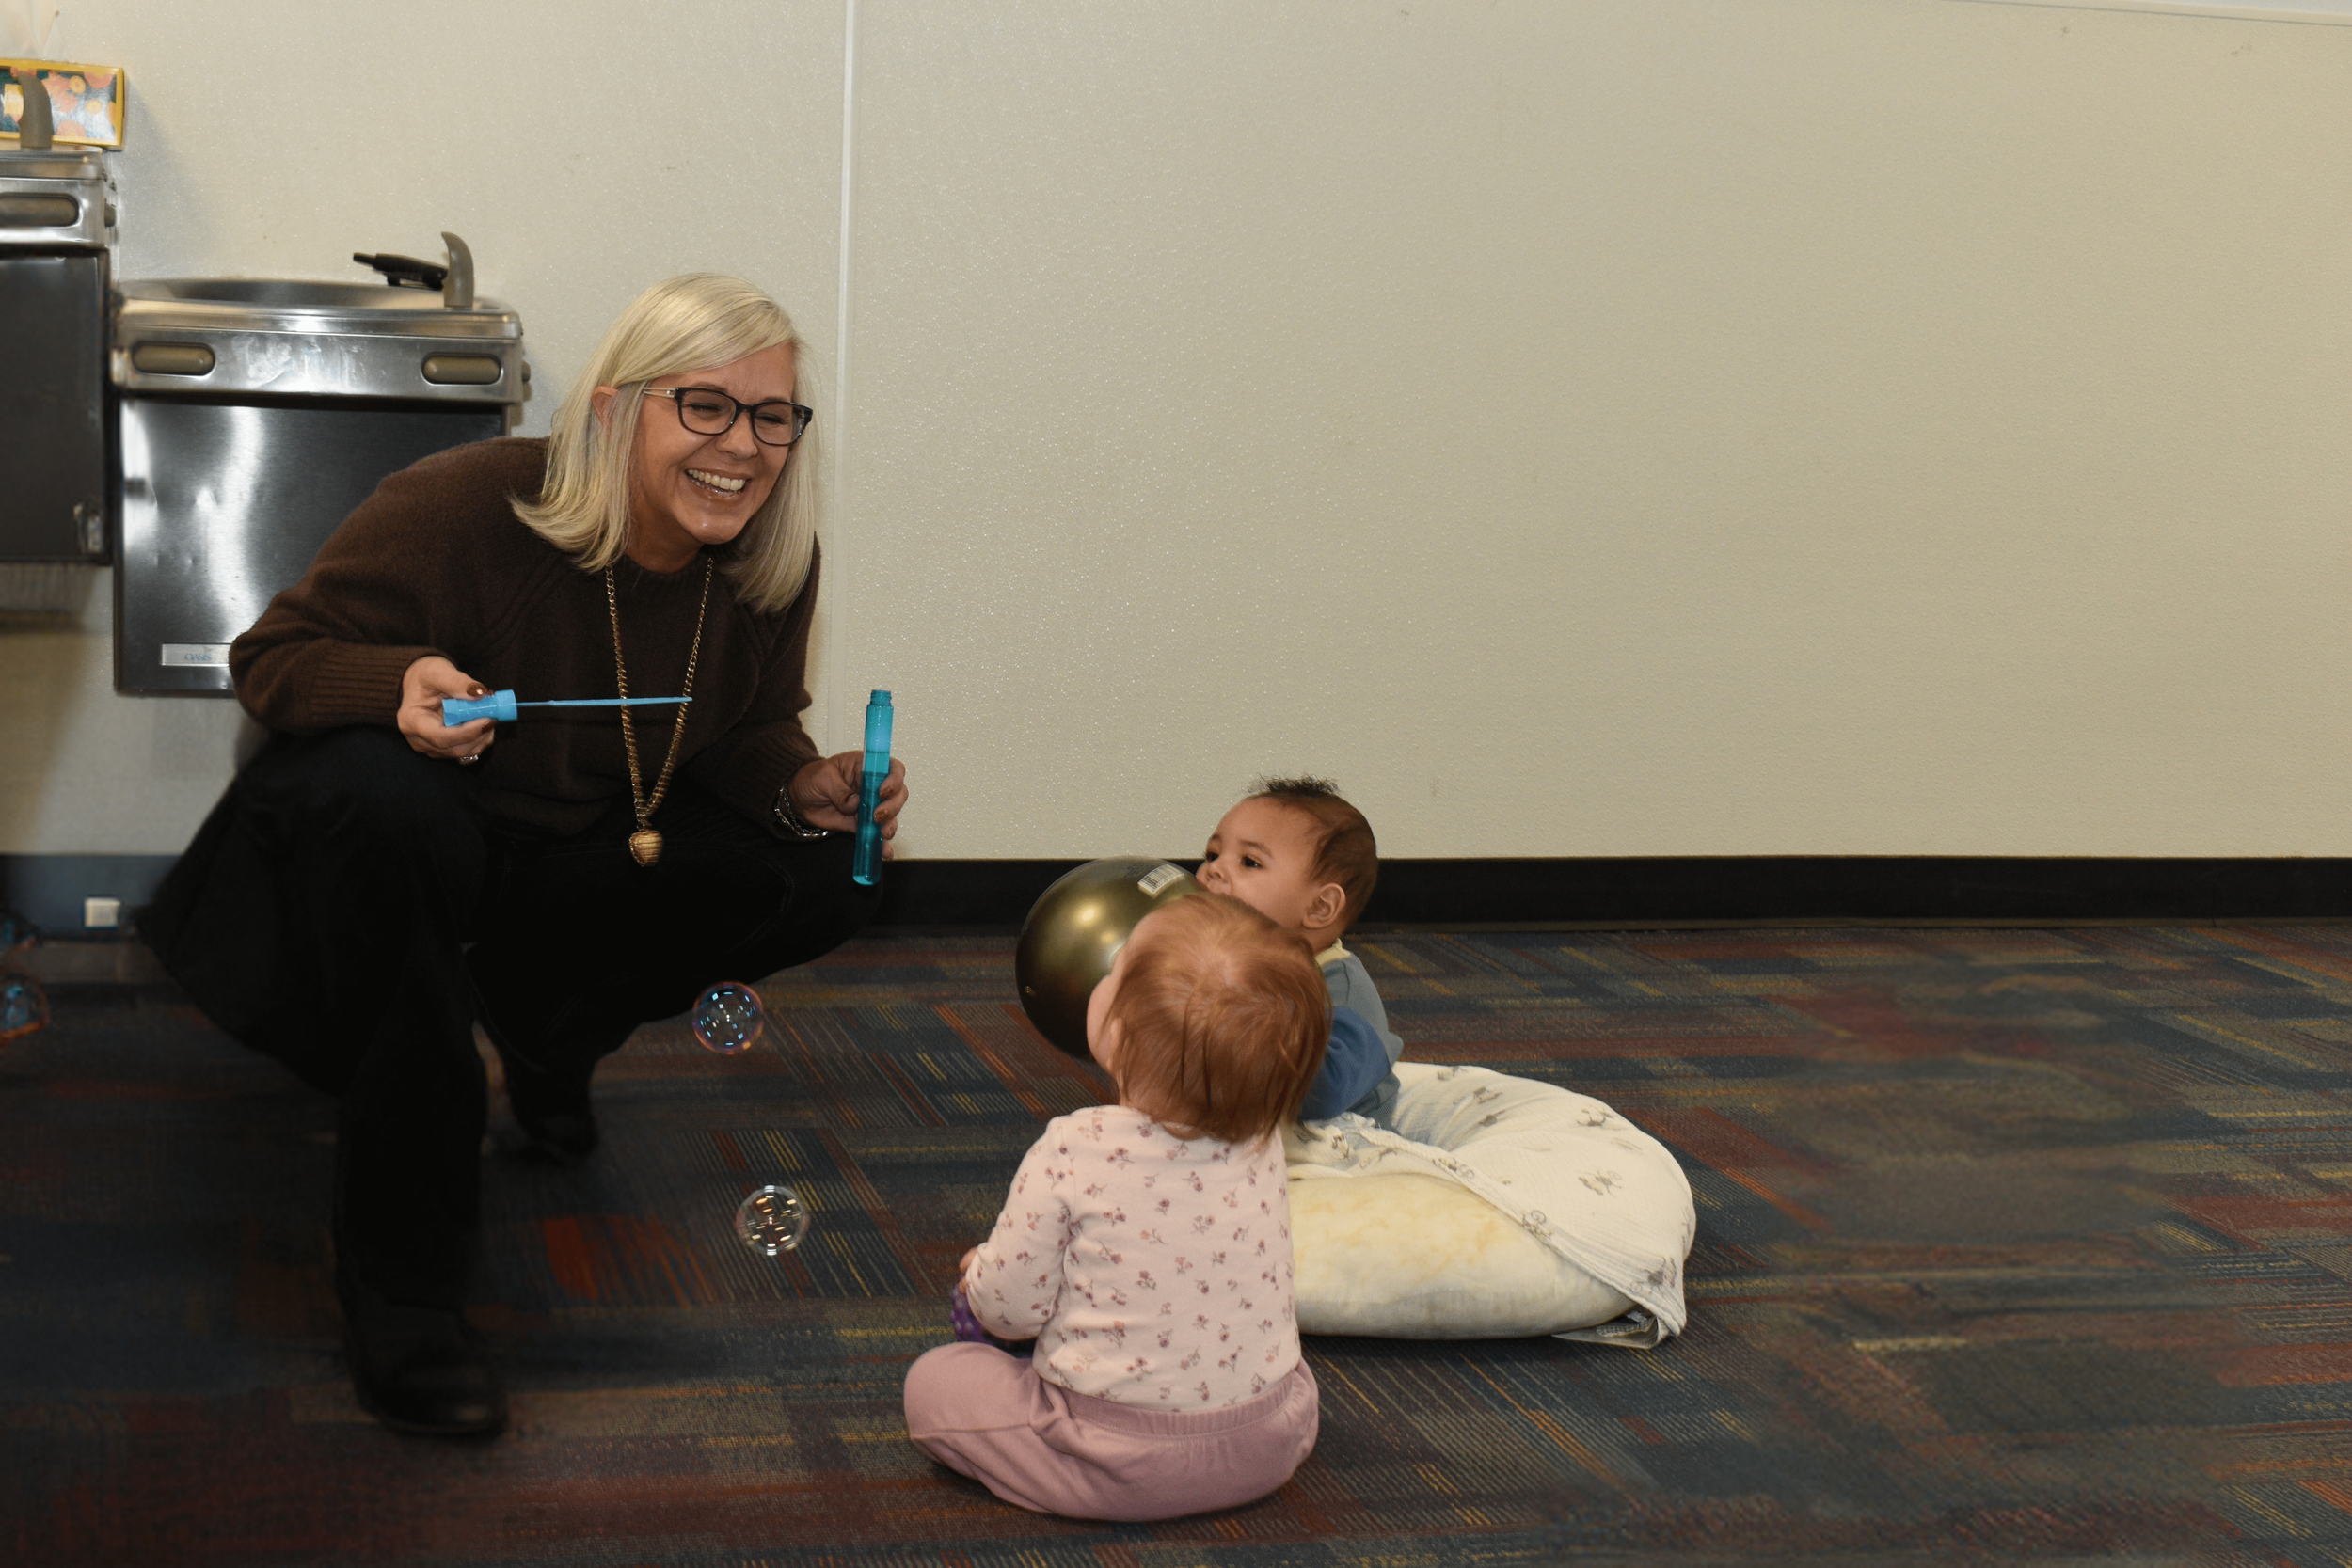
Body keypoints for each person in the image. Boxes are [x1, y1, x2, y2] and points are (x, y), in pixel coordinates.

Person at [143, 274, 907, 1440]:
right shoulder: (469, 504)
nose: (742, 446)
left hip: (573, 847)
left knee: (819, 862)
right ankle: (405, 1292)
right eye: (703, 405)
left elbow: (745, 729)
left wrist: (801, 786)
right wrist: (392, 687)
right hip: (408, 831)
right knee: (386, 814)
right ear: (614, 411)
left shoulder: (766, 562)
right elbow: (273, 656)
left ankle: (539, 1032)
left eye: (770, 415)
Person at [903, 895, 1326, 1521]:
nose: (1103, 974)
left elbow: (1010, 1310)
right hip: (1271, 1440)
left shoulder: (1074, 1146)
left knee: (933, 1383)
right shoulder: (1264, 1142)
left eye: (1116, 967)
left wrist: (982, 1275)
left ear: (1116, 1033)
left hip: (1112, 1458)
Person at [1197, 777, 1402, 1124]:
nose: (1213, 869)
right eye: (1213, 854)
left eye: (1249, 862)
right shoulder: (1213, 962)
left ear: (1320, 908)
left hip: (1335, 1145)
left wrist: (1223, 1025)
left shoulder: (1340, 989)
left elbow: (1325, 1091)